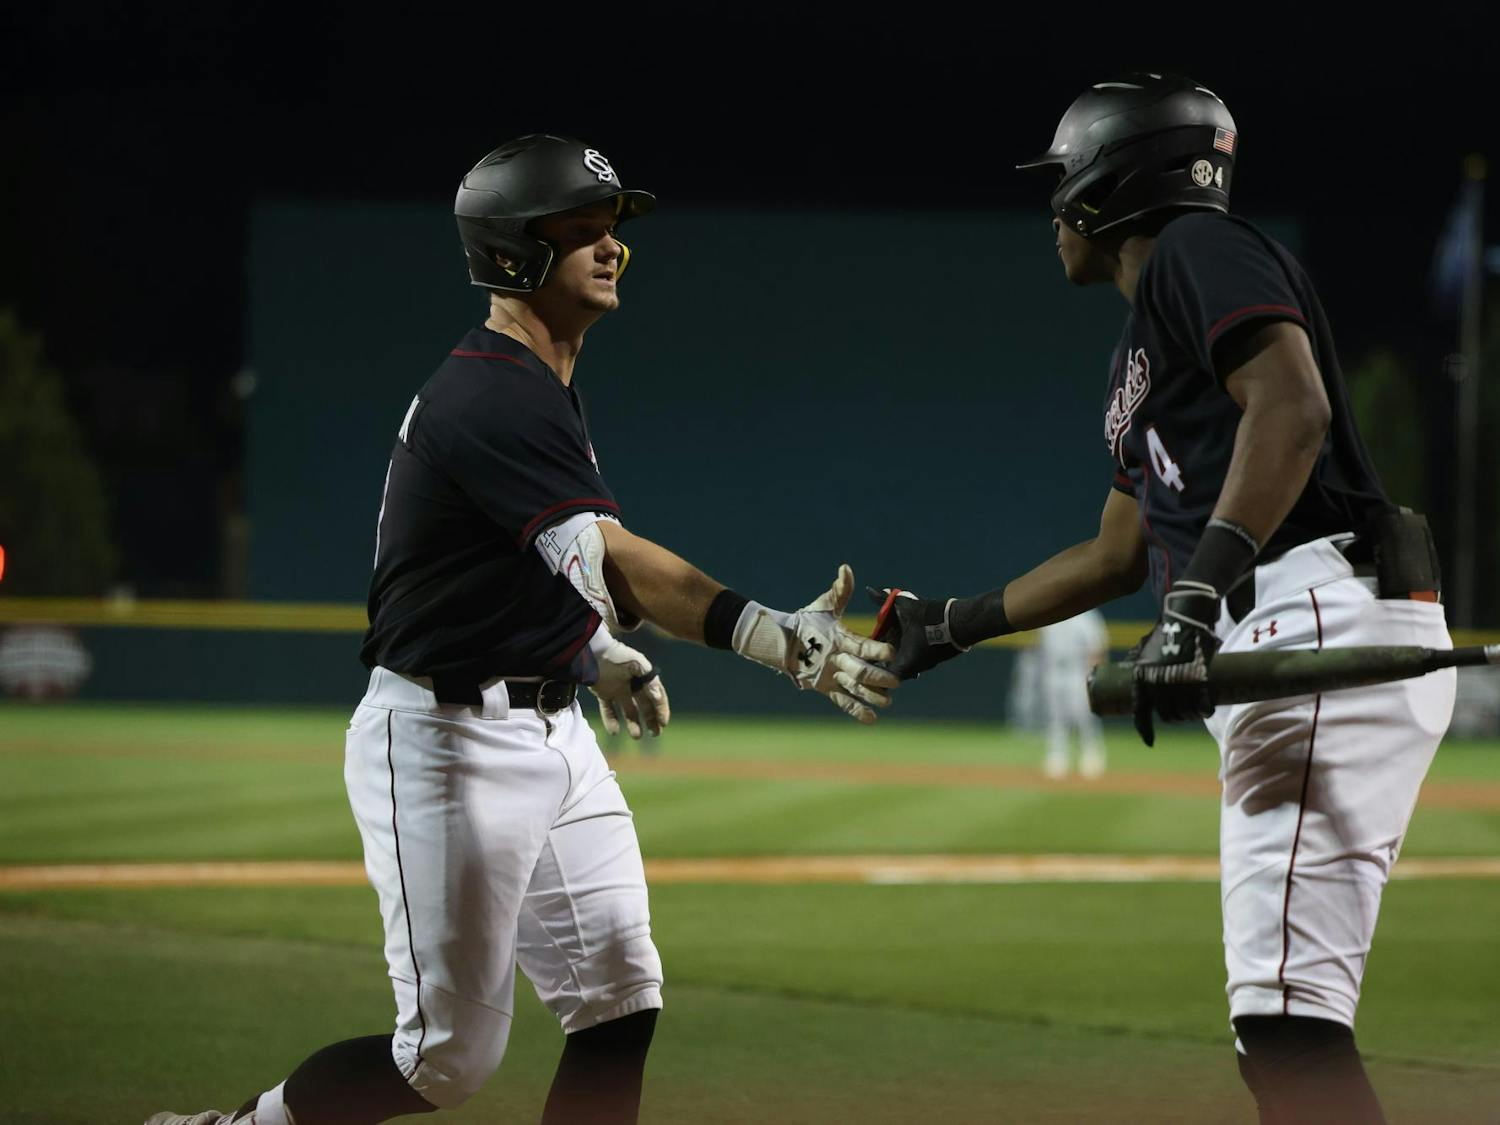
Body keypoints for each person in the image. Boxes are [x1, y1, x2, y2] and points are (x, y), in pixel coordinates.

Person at [148, 134, 897, 1125]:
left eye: (612, 231)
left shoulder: (538, 386)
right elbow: (609, 554)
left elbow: (513, 565)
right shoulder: (491, 393)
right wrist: (766, 634)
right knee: (447, 1061)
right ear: (510, 254)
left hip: (550, 731)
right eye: (578, 230)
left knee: (622, 997)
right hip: (447, 742)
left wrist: (588, 650)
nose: (607, 248)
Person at [871, 75, 1454, 1124]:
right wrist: (953, 624)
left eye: (1062, 184)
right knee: (1284, 1026)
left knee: (1286, 1030)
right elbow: (1113, 551)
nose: (1052, 210)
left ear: (1109, 184)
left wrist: (1192, 607)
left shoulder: (1195, 250)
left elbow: (1295, 406)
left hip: (1309, 605)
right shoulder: (1145, 337)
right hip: (1293, 614)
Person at [1035, 609, 1109, 779]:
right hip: (1053, 671)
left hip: (1078, 670)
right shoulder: (1050, 616)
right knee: (1055, 717)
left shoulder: (1087, 617)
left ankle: (1092, 754)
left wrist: (1096, 675)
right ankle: (1057, 755)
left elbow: (1097, 648)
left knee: (1084, 715)